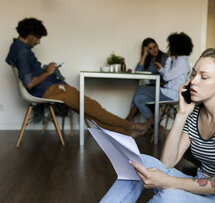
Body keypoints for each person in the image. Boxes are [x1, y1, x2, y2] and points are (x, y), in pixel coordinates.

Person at [43, 47, 215, 203]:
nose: (193, 82)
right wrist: (181, 114)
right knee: (141, 162)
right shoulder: (195, 112)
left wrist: (168, 181)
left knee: (170, 201)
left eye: (204, 77)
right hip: (198, 190)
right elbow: (167, 162)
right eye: (193, 74)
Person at [6, 18, 148, 138]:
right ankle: (132, 126)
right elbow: (29, 83)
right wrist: (48, 72)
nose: (38, 42)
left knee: (90, 111)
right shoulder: (22, 52)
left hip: (51, 88)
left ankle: (125, 133)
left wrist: (47, 70)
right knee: (94, 109)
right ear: (30, 34)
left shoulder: (18, 48)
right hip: (50, 89)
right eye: (37, 38)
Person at [126, 32, 193, 127]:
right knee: (138, 98)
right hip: (167, 91)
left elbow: (166, 77)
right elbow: (168, 74)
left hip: (171, 93)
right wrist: (161, 68)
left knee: (139, 89)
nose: (169, 48)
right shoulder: (180, 60)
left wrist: (168, 59)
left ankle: (129, 120)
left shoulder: (180, 61)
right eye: (150, 48)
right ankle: (154, 124)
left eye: (155, 46)